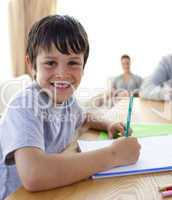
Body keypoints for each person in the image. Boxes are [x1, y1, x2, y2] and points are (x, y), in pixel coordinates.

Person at [0, 15, 140, 199]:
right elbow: (34, 174)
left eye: (73, 63)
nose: (62, 74)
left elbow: (84, 117)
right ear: (32, 65)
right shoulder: (25, 105)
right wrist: (114, 154)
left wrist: (107, 125)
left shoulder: (68, 101)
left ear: (83, 67)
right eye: (50, 63)